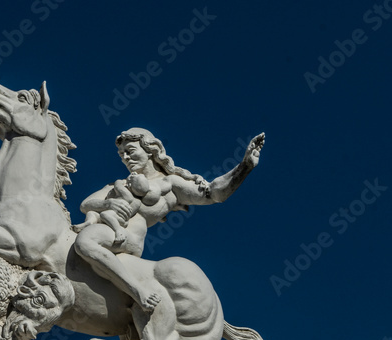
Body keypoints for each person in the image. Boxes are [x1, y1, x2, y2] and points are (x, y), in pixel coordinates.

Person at [73, 128, 264, 313]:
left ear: (150, 150)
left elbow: (213, 194)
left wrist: (244, 166)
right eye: (122, 154)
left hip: (127, 238)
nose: (125, 158)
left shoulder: (170, 184)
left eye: (130, 151)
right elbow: (86, 204)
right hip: (106, 227)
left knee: (86, 241)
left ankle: (138, 291)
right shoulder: (120, 185)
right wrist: (109, 205)